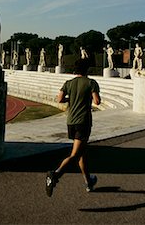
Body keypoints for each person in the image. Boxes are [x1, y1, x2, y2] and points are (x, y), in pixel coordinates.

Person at [46, 58, 101, 197]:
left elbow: (59, 99)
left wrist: (70, 99)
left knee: (82, 153)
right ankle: (55, 175)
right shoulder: (91, 83)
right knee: (75, 155)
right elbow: (97, 101)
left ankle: (89, 182)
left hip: (71, 122)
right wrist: (87, 97)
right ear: (86, 70)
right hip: (83, 121)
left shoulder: (68, 83)